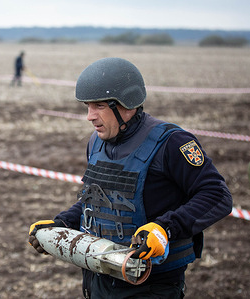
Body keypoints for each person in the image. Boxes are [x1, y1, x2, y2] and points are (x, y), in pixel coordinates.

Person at [28, 57, 233, 298]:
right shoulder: (96, 142)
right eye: (87, 106)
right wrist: (62, 224)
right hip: (100, 276)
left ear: (125, 104)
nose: (89, 116)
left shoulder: (172, 143)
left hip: (152, 285)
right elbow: (98, 200)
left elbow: (217, 195)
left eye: (99, 106)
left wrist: (165, 229)